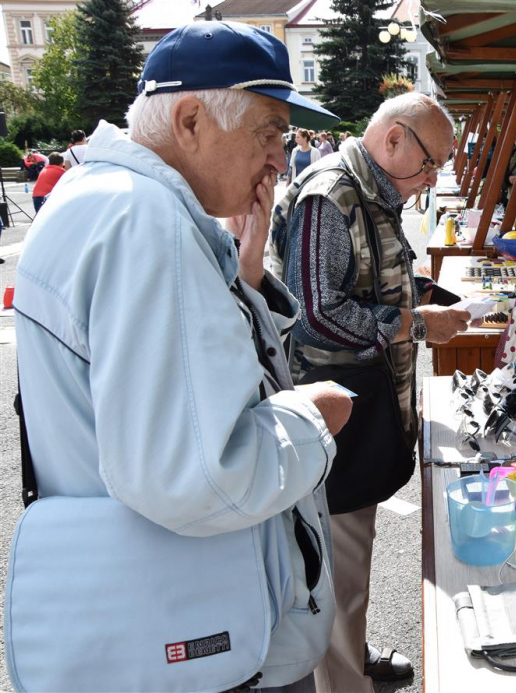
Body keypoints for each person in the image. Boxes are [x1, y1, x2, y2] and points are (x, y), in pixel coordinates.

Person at [12, 21, 350, 691]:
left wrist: (244, 283)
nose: (281, 158)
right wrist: (312, 419)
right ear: (192, 119)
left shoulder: (95, 197)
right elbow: (197, 475)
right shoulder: (148, 223)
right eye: (268, 131)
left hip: (149, 614)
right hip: (204, 637)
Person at [271, 92, 471, 693]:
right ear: (394, 140)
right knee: (336, 564)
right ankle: (341, 675)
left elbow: (365, 276)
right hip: (336, 414)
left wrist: (418, 290)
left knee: (350, 561)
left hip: (363, 403)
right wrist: (412, 323)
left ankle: (350, 655)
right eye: (431, 162)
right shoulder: (331, 195)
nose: (433, 177)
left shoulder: (370, 191)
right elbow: (315, 313)